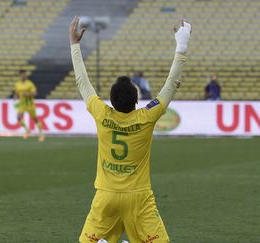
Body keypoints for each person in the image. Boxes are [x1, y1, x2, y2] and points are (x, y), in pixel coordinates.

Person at [69, 16, 191, 243]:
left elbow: (82, 82)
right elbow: (171, 85)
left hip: (106, 195)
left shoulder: (101, 113)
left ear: (111, 101)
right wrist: (181, 45)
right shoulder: (147, 116)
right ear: (137, 101)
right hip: (139, 196)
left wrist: (75, 45)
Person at [14, 70, 45, 142]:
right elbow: (16, 92)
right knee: (18, 117)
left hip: (30, 105)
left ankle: (41, 134)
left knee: (35, 119)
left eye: (24, 75)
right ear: (20, 76)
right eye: (21, 75)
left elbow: (35, 93)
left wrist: (28, 94)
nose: (23, 76)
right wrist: (15, 97)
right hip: (22, 105)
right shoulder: (17, 84)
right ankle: (27, 130)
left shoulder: (30, 84)